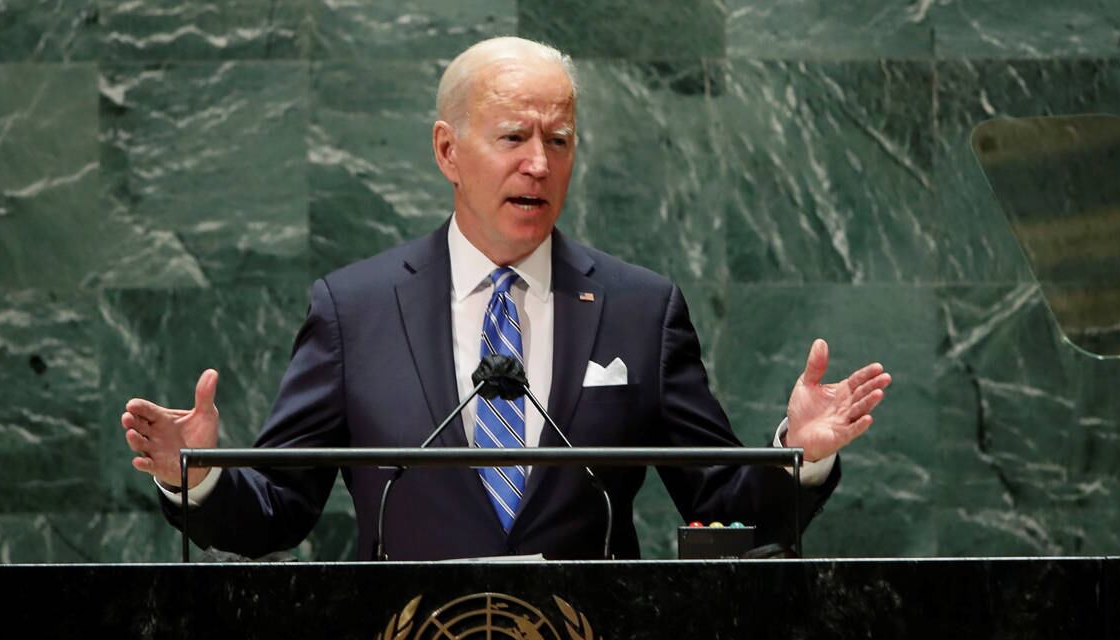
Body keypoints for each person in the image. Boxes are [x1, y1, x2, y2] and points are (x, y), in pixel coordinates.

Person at [120, 37, 890, 561]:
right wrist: (199, 474)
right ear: (448, 151)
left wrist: (797, 455)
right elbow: (281, 508)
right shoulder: (354, 309)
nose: (538, 163)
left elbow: (719, 504)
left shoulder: (637, 308)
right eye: (512, 137)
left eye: (558, 142)